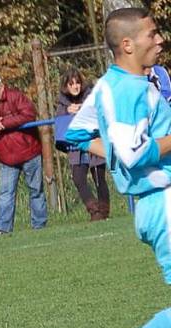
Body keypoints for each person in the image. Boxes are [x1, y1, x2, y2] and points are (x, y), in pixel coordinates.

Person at [66, 7, 171, 328]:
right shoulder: (128, 92)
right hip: (162, 203)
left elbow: (74, 133)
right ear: (128, 44)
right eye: (153, 32)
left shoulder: (113, 85)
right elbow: (134, 153)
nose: (160, 39)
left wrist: (113, 155)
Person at [0, 73, 48, 235]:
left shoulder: (16, 96)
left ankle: (39, 225)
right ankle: (3, 227)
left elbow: (28, 114)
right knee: (5, 193)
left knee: (36, 190)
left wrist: (3, 123)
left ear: (1, 85)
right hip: (6, 158)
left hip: (30, 152)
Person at [56, 68, 110, 221]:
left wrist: (83, 110)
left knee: (99, 178)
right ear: (66, 86)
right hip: (75, 148)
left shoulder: (91, 97)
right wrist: (67, 111)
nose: (75, 86)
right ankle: (93, 209)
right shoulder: (62, 104)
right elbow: (60, 123)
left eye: (78, 83)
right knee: (78, 178)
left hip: (94, 142)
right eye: (71, 84)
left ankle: (104, 211)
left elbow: (101, 112)